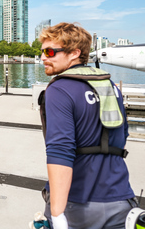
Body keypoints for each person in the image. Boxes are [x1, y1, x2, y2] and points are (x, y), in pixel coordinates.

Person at [38, 22, 136, 229]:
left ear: (74, 53)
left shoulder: (59, 89)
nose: (43, 58)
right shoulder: (109, 86)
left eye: (49, 52)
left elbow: (60, 150)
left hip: (78, 204)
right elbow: (121, 135)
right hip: (120, 200)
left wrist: (57, 213)